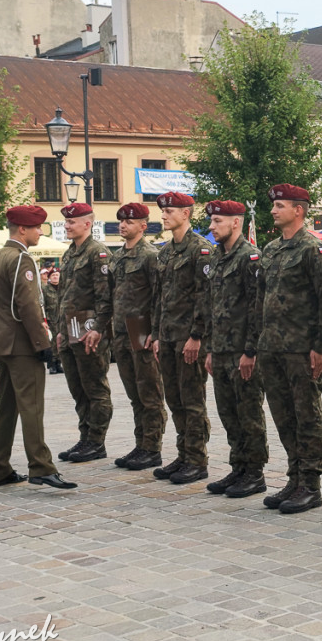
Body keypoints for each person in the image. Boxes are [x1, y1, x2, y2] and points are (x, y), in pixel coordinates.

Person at [256, 183, 322, 513]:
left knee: (307, 416)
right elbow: (261, 298)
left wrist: (320, 347)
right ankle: (294, 477)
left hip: (301, 349)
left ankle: (311, 483)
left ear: (298, 210)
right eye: (274, 205)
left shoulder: (313, 250)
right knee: (283, 415)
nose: (274, 210)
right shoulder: (272, 249)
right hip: (272, 348)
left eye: (280, 205)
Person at [0, 205, 76, 490]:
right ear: (22, 229)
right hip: (22, 344)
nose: (40, 232)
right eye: (37, 227)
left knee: (7, 408)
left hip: (2, 342)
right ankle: (40, 466)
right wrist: (42, 342)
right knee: (32, 407)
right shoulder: (21, 258)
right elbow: (27, 305)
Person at [203, 199, 268, 497]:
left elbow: (258, 309)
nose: (212, 227)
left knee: (249, 413)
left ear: (236, 222)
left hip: (243, 352)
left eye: (218, 221)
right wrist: (209, 349)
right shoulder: (217, 258)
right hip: (221, 350)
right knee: (229, 413)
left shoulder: (250, 258)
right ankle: (238, 467)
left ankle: (254, 473)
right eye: (212, 222)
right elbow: (211, 306)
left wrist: (251, 352)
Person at [151, 192, 213, 485]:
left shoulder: (200, 249)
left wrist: (197, 336)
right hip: (167, 338)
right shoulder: (165, 252)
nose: (163, 215)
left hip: (189, 339)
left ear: (186, 214)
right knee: (174, 398)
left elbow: (205, 296)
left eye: (169, 211)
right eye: (162, 211)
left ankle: (197, 459)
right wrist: (156, 335)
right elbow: (159, 299)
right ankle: (183, 453)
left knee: (192, 399)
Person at [55, 202, 114, 463]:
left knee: (95, 387)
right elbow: (63, 296)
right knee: (77, 388)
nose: (66, 226)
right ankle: (85, 437)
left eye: (71, 222)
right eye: (66, 222)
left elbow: (105, 296)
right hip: (69, 329)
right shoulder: (70, 253)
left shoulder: (97, 253)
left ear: (87, 224)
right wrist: (59, 331)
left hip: (88, 329)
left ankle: (96, 441)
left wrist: (98, 329)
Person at [110, 203, 166, 471]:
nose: (123, 225)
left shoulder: (150, 256)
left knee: (150, 393)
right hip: (121, 332)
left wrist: (154, 332)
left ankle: (152, 447)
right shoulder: (117, 256)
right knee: (134, 393)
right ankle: (140, 443)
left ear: (143, 226)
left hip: (142, 332)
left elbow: (158, 296)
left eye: (129, 222)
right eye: (121, 221)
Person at [42, 269, 62, 374]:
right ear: (49, 277)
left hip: (62, 319)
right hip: (51, 320)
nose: (55, 277)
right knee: (52, 343)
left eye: (57, 275)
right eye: (53, 275)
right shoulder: (45, 289)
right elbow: (42, 305)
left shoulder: (63, 288)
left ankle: (59, 363)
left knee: (61, 342)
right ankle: (52, 364)